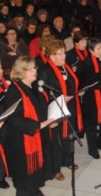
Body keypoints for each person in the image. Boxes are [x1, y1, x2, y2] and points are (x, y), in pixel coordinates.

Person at [2, 56, 56, 196]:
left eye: (35, 68)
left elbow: (41, 108)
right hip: (22, 143)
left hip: (38, 136)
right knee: (25, 177)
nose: (35, 71)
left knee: (35, 173)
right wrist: (39, 125)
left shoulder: (34, 86)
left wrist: (50, 120)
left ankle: (34, 190)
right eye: (30, 69)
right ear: (21, 72)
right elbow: (15, 120)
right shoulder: (14, 93)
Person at [37, 39, 84, 180]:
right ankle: (55, 168)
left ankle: (67, 160)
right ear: (51, 56)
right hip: (55, 110)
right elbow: (43, 96)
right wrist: (62, 99)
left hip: (70, 105)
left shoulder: (65, 66)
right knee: (56, 139)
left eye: (64, 52)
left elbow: (71, 83)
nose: (64, 56)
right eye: (59, 54)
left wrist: (77, 92)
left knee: (68, 135)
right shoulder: (45, 71)